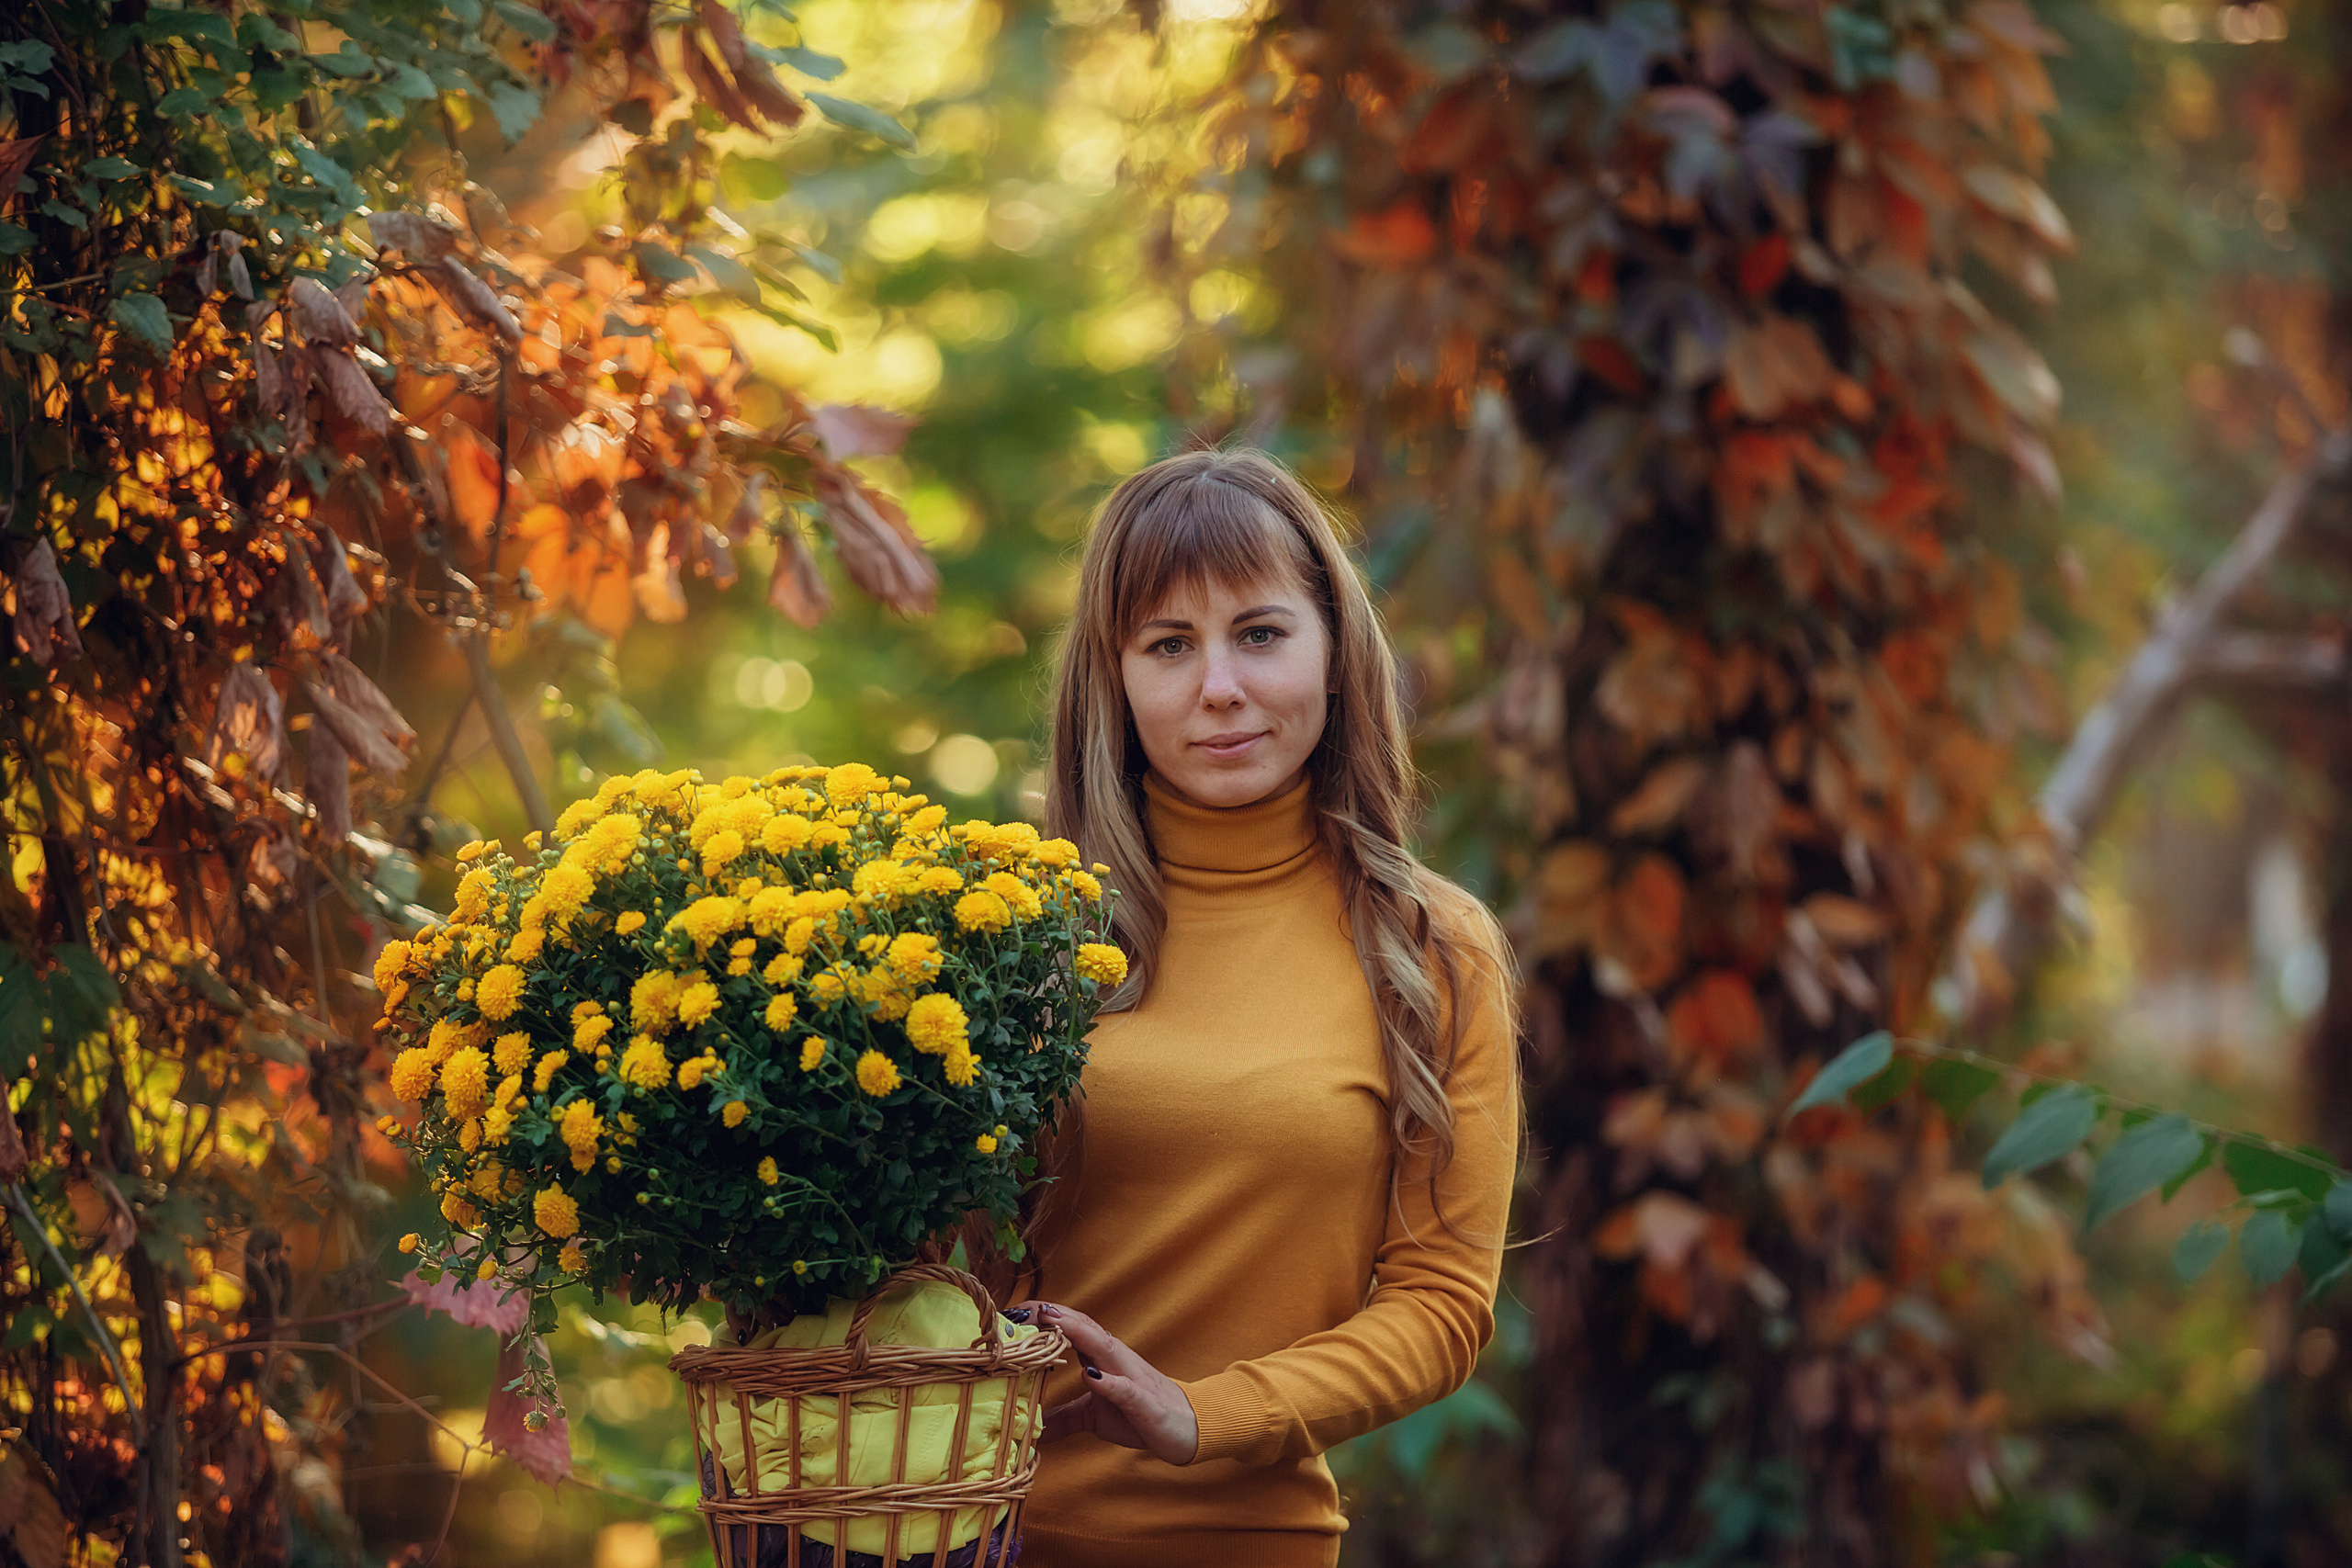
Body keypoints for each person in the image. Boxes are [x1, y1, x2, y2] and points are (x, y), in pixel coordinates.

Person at [1007, 447, 1521, 1567]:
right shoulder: (1015, 932)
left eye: (1260, 633)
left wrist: (1208, 1415)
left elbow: (1439, 1304)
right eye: (1168, 646)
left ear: (1334, 653)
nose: (1220, 689)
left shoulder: (1430, 951)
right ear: (1116, 678)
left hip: (1246, 1540)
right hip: (954, 1533)